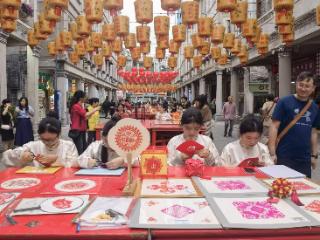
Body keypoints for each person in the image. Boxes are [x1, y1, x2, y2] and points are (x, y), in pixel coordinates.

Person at [269, 71, 320, 178]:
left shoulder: (315, 107)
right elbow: (274, 126)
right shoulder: (284, 102)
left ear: (313, 88)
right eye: (301, 85)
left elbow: (314, 132)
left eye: (307, 86)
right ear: (296, 84)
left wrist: (314, 155)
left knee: (303, 189)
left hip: (304, 158)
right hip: (284, 155)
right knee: (282, 188)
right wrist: (272, 152)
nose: (303, 88)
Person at [3, 117, 78, 168]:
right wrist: (21, 156)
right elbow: (6, 157)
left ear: (59, 134)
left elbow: (75, 165)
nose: (48, 143)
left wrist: (57, 159)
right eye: (44, 139)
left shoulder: (68, 146)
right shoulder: (33, 146)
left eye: (52, 139)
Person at [69, 90, 101, 155]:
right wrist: (95, 109)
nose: (86, 98)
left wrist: (92, 113)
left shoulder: (80, 106)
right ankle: (79, 163)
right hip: (77, 130)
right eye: (85, 97)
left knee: (84, 148)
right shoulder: (76, 106)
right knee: (80, 150)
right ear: (81, 98)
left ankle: (82, 162)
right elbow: (85, 115)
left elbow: (86, 117)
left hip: (82, 130)